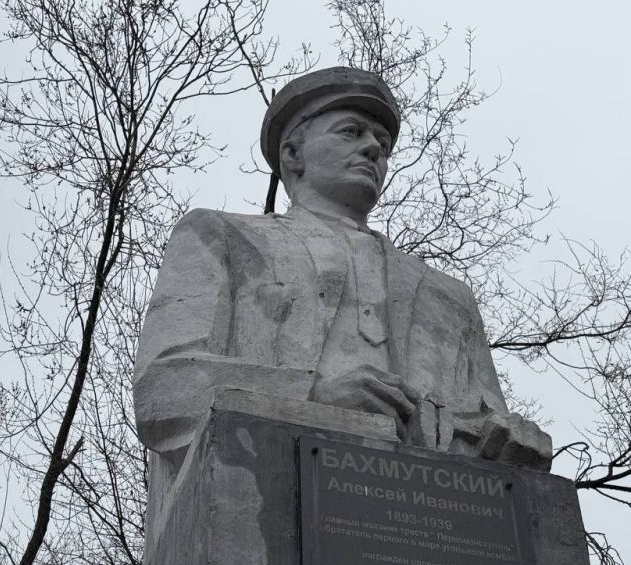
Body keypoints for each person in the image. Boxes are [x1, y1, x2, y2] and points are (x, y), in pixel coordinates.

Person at [133, 67, 551, 479]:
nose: (373, 149)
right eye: (351, 131)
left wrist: (512, 439)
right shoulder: (224, 237)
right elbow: (164, 389)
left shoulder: (450, 297)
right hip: (272, 489)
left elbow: (492, 428)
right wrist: (313, 395)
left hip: (435, 509)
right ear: (292, 154)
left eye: (382, 143)